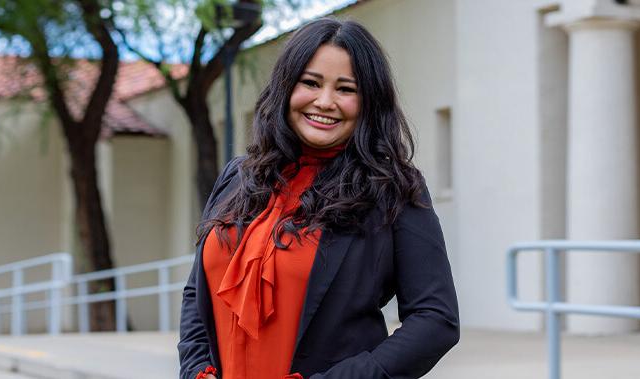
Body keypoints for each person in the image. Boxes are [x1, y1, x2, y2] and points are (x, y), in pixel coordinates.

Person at [178, 17, 459, 379]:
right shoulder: (239, 175)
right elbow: (195, 292)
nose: (325, 102)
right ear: (286, 87)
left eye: (346, 89)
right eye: (310, 83)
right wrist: (196, 369)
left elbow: (436, 320)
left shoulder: (393, 188)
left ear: (369, 100)